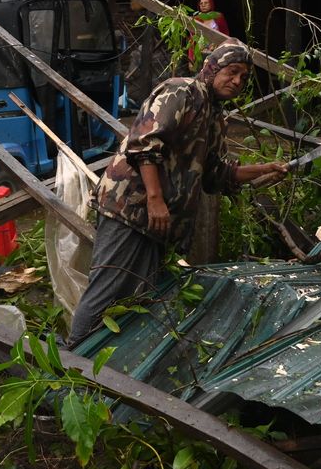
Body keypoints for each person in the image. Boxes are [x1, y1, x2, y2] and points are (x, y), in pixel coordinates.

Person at [68, 41, 288, 344]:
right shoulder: (180, 91)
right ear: (212, 68)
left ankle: (108, 366)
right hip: (131, 206)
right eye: (232, 71)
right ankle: (70, 363)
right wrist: (155, 199)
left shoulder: (214, 116)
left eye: (244, 77)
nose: (237, 81)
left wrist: (262, 170)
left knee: (139, 297)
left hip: (159, 221)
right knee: (107, 289)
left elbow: (215, 175)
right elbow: (144, 143)